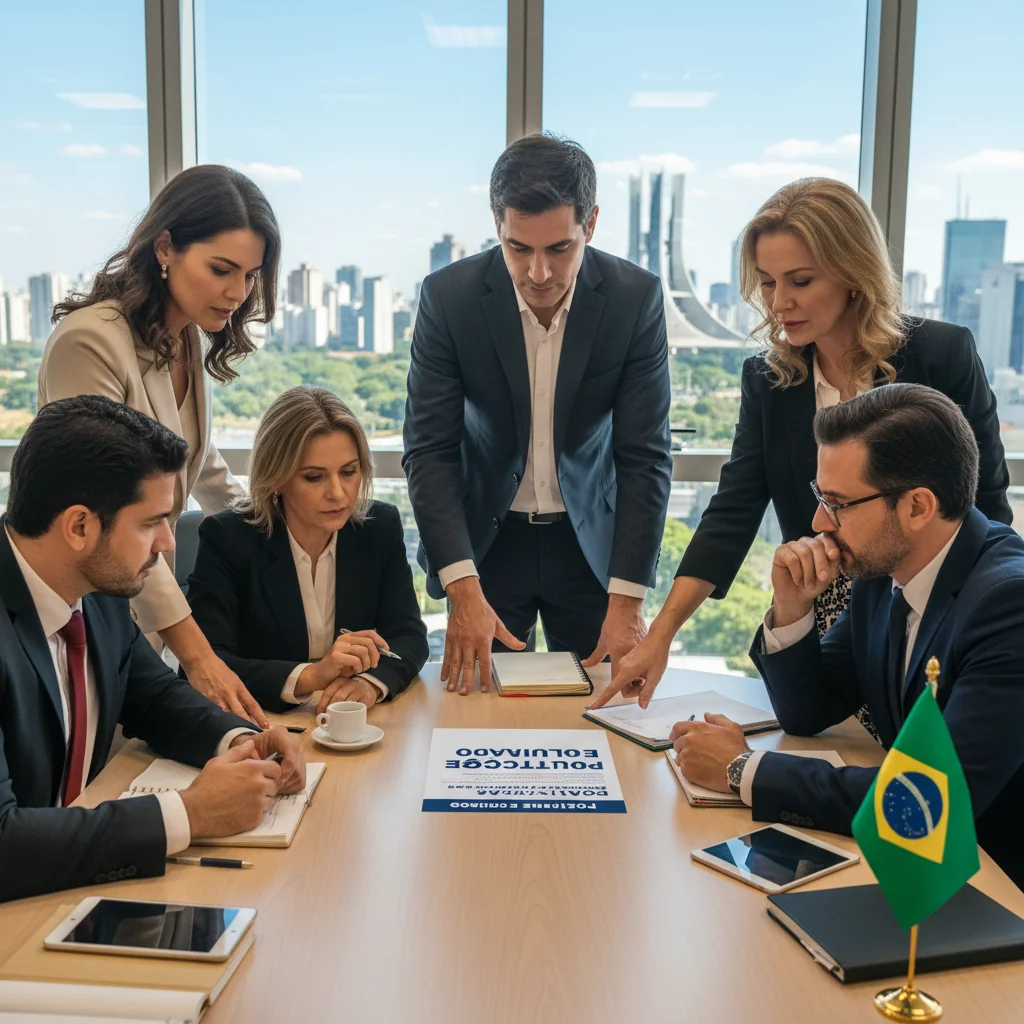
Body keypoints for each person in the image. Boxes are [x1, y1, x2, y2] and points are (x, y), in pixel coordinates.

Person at [592, 177, 1011, 712]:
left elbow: (988, 506)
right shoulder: (768, 381)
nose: (778, 303)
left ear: (853, 273)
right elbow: (733, 511)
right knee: (813, 736)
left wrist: (973, 625)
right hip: (816, 602)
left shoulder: (941, 355)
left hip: (930, 605)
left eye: (801, 281)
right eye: (767, 283)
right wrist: (662, 634)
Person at [670, 384, 1024, 888]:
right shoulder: (886, 574)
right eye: (820, 498)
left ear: (918, 506)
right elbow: (809, 710)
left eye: (836, 503)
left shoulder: (1007, 605)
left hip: (994, 886)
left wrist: (743, 769)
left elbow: (928, 804)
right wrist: (793, 607)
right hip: (918, 870)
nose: (817, 523)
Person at [0, 396, 305, 904]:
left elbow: (152, 694)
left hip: (62, 888)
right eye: (151, 523)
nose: (167, 544)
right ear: (79, 526)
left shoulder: (93, 588)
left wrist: (239, 742)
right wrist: (191, 813)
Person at [403, 133, 672, 694]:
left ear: (590, 225)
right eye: (519, 248)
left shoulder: (634, 298)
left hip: (592, 552)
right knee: (477, 715)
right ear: (496, 223)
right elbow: (429, 452)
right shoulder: (447, 299)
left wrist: (629, 600)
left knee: (607, 711)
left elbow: (645, 458)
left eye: (560, 248)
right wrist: (460, 588)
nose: (539, 273)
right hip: (487, 553)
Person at [38, 164, 282, 727]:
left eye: (251, 275)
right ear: (165, 246)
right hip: (94, 598)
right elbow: (112, 509)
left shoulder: (185, 337)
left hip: (149, 597)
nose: (237, 293)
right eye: (222, 269)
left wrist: (270, 533)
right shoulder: (90, 341)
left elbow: (197, 458)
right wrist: (198, 653)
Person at [186, 387, 428, 715]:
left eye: (349, 472)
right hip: (263, 723)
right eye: (314, 477)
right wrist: (313, 675)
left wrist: (369, 684)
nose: (338, 493)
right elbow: (205, 665)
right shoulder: (229, 538)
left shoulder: (378, 527)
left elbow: (409, 636)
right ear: (276, 478)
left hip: (351, 722)